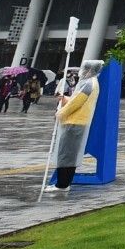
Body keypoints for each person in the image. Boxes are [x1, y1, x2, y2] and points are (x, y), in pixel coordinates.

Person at [46, 60, 103, 195]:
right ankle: (64, 183)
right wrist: (65, 98)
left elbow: (76, 104)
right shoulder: (91, 83)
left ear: (89, 70)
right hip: (77, 122)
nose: (81, 72)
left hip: (74, 123)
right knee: (69, 155)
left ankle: (62, 185)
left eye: (84, 69)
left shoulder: (88, 84)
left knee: (65, 155)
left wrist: (60, 113)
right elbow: (76, 100)